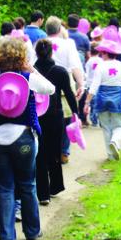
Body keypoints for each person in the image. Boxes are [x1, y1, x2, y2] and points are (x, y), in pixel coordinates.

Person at [0, 38, 54, 240]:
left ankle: (6, 236)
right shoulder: (27, 77)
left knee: (4, 186)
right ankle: (32, 231)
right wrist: (32, 69)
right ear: (22, 57)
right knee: (28, 184)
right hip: (23, 139)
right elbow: (50, 89)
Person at [34, 39, 78, 205]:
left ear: (36, 53)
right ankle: (55, 186)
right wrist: (75, 113)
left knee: (39, 154)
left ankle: (42, 193)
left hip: (36, 116)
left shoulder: (32, 71)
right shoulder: (60, 71)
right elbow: (69, 93)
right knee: (54, 151)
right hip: (55, 115)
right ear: (52, 52)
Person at [84, 40, 121, 160]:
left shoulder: (101, 66)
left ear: (106, 53)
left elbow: (94, 87)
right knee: (119, 125)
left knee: (106, 127)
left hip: (102, 99)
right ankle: (115, 141)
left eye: (102, 53)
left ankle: (110, 156)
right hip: (117, 98)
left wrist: (87, 102)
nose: (101, 54)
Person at [44, 16, 85, 163]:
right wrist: (81, 84)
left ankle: (51, 150)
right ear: (60, 29)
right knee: (67, 119)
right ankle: (64, 152)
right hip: (64, 83)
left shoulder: (39, 43)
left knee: (48, 118)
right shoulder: (68, 44)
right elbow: (75, 66)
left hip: (45, 84)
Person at [84, 43, 103, 126]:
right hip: (99, 84)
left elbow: (86, 74)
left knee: (92, 103)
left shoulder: (88, 61)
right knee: (100, 102)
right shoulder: (101, 61)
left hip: (90, 84)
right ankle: (101, 120)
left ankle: (94, 120)